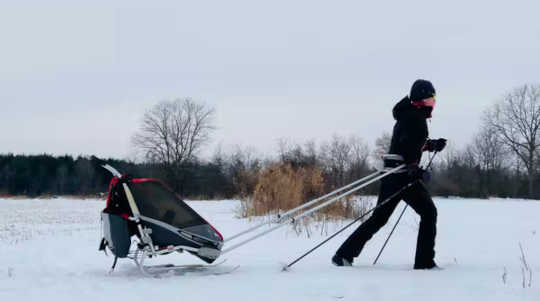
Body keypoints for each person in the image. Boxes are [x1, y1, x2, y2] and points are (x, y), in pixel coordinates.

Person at [332, 79, 446, 269]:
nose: (434, 102)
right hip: (401, 176)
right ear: (421, 98)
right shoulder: (415, 118)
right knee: (429, 212)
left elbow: (409, 143)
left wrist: (431, 145)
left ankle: (343, 255)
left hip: (393, 175)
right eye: (431, 98)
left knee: (379, 219)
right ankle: (424, 262)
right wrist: (414, 169)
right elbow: (409, 146)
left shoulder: (408, 115)